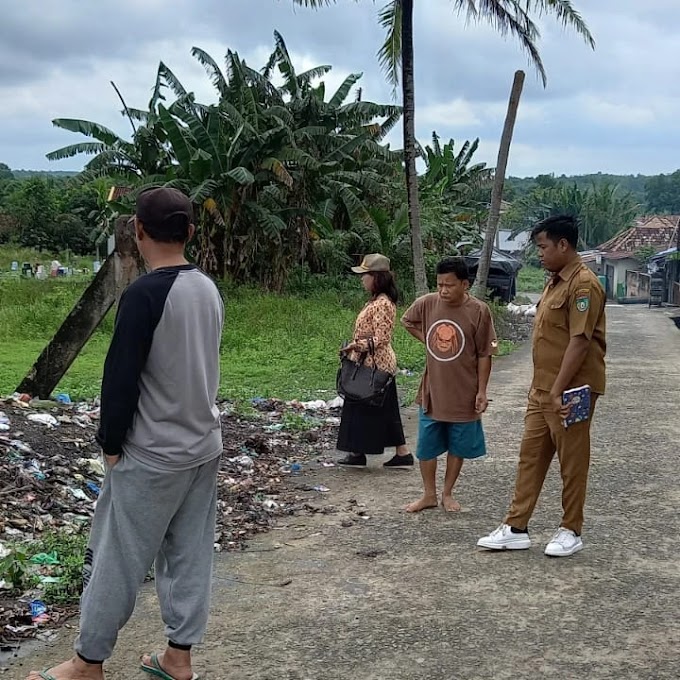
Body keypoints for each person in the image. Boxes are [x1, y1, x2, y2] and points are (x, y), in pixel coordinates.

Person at [28, 187, 224, 680]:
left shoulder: (144, 294)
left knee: (116, 557)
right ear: (191, 233)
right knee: (189, 553)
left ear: (136, 232)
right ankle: (179, 657)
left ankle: (87, 662)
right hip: (203, 445)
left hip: (153, 454)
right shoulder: (206, 287)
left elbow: (120, 379)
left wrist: (111, 445)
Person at [477, 214, 606, 558]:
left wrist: (557, 389)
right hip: (543, 389)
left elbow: (579, 341)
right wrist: (544, 389)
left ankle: (570, 529)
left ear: (564, 245)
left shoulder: (583, 285)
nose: (540, 254)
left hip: (571, 391)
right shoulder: (554, 281)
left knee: (572, 461)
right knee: (530, 458)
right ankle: (516, 526)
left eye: (543, 247)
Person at [401, 257, 497, 513]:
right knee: (426, 446)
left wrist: (482, 391)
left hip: (464, 391)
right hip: (433, 391)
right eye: (440, 284)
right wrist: (428, 340)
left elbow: (485, 353)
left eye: (450, 285)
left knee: (459, 444)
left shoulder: (479, 311)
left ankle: (447, 493)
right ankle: (428, 494)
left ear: (465, 284)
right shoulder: (427, 303)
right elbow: (407, 321)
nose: (443, 290)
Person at [336, 253, 413, 469]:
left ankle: (358, 451)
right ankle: (400, 451)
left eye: (365, 275)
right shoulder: (376, 301)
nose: (362, 279)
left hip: (375, 364)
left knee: (362, 405)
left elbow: (382, 337)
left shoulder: (382, 304)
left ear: (376, 277)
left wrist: (357, 346)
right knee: (383, 409)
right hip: (372, 363)